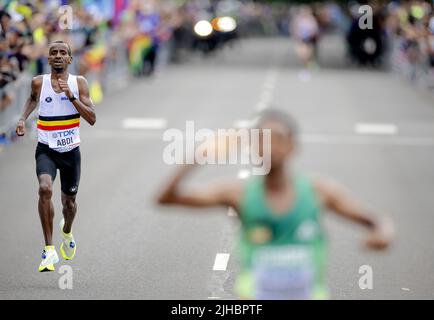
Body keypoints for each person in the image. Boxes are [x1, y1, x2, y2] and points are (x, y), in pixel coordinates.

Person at [157, 109, 393, 299]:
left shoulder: (319, 192)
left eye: (278, 139)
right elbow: (167, 198)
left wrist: (383, 232)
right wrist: (201, 154)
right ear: (252, 149)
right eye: (261, 140)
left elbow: (375, 220)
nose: (269, 147)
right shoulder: (237, 194)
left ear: (293, 147)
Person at [16, 41, 96, 272]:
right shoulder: (38, 82)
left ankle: (67, 231)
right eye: (54, 53)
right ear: (48, 59)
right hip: (46, 148)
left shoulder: (79, 83)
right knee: (45, 189)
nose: (58, 56)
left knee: (69, 204)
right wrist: (22, 118)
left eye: (63, 53)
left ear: (70, 59)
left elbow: (91, 118)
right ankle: (49, 249)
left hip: (71, 151)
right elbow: (32, 98)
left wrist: (72, 97)